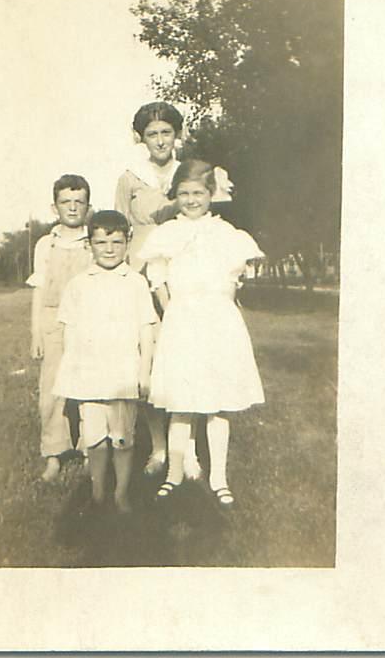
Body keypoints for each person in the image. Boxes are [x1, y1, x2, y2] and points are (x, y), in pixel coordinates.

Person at [139, 160, 265, 509]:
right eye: (184, 194)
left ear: (212, 194)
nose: (191, 200)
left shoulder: (227, 235)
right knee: (181, 403)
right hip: (182, 321)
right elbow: (159, 281)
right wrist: (172, 314)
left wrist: (224, 303)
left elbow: (238, 280)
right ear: (174, 196)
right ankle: (174, 474)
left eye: (198, 193)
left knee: (218, 404)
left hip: (218, 322)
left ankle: (219, 477)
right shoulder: (164, 235)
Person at [114, 102, 202, 479]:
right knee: (147, 361)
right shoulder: (130, 177)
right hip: (142, 278)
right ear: (141, 138)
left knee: (190, 360)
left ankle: (191, 449)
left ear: (177, 134)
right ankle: (159, 448)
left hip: (185, 277)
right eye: (152, 134)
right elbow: (119, 228)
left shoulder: (192, 174)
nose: (160, 140)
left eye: (167, 132)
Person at [52, 211, 157, 514]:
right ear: (90, 244)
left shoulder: (136, 283)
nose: (109, 249)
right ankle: (98, 491)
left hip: (124, 373)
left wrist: (144, 371)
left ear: (128, 242)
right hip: (89, 374)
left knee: (123, 438)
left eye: (116, 241)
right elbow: (69, 331)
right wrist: (74, 372)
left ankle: (121, 494)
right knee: (95, 438)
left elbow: (146, 330)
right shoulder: (78, 284)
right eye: (101, 242)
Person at [27, 174, 92, 482]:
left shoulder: (94, 241)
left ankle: (92, 449)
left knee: (91, 385)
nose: (72, 207)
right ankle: (53, 454)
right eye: (65, 202)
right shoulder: (45, 244)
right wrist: (36, 332)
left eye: (79, 202)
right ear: (55, 207)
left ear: (88, 207)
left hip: (88, 322)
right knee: (52, 389)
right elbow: (39, 289)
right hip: (53, 320)